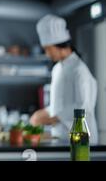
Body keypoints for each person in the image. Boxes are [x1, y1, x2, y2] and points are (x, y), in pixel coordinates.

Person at [30, 14, 98, 144]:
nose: (47, 54)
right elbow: (60, 105)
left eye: (48, 49)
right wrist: (44, 113)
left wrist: (52, 118)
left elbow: (83, 106)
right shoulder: (57, 69)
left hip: (81, 141)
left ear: (59, 45)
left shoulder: (79, 69)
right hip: (62, 138)